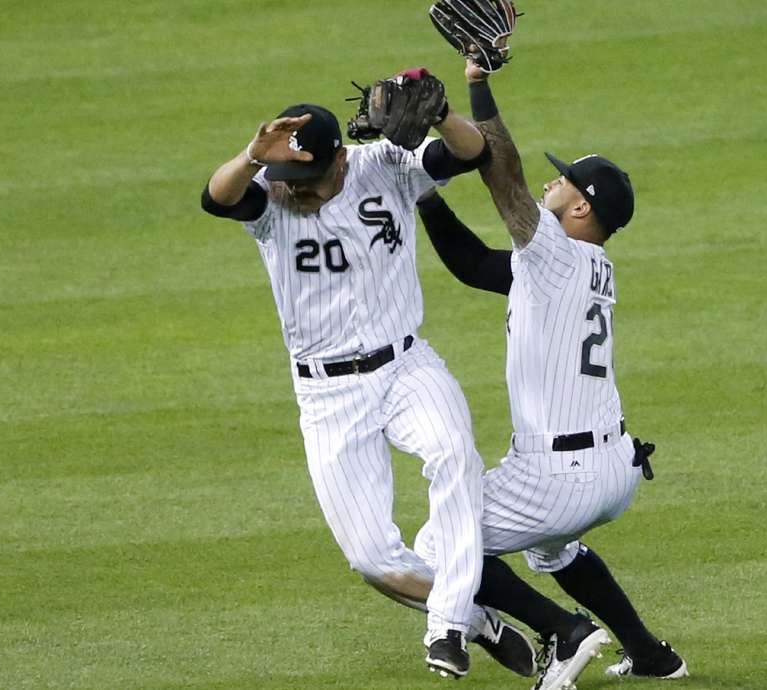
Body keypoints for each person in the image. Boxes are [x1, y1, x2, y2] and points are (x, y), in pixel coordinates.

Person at [197, 76, 533, 679]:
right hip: (327, 394)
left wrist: (442, 114)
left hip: (405, 365)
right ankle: (476, 621)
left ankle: (445, 626)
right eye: (282, 177)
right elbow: (215, 197)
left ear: (339, 160)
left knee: (454, 455)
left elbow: (472, 151)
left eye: (302, 179)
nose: (288, 190)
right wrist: (253, 155)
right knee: (373, 560)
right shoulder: (269, 194)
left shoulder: (386, 165)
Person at [412, 62, 690, 689]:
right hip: (613, 468)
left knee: (437, 548)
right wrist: (420, 194)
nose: (549, 182)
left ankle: (564, 632)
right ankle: (651, 655)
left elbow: (500, 172)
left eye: (563, 179)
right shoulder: (578, 266)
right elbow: (476, 265)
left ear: (582, 205)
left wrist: (476, 88)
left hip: (558, 475)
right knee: (551, 548)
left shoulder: (554, 253)